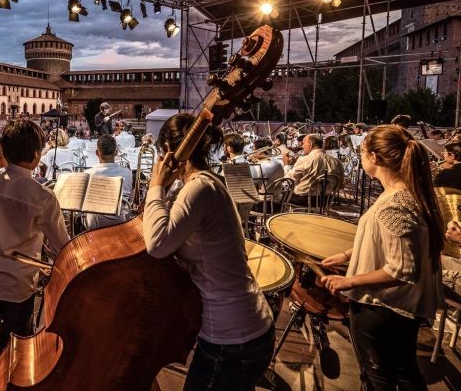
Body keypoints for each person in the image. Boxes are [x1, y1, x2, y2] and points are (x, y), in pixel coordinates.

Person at [143, 113, 274, 390]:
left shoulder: (199, 188)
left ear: (167, 152)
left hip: (232, 340)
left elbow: (156, 244)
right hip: (244, 329)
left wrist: (156, 186)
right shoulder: (208, 183)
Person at [320, 124, 443, 391]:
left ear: (374, 157)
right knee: (403, 371)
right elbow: (391, 244)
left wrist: (348, 282)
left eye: (362, 153)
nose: (362, 158)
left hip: (382, 307)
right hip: (395, 308)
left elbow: (402, 270)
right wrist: (346, 255)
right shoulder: (403, 194)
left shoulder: (395, 203)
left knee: (381, 378)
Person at [0, 119, 70, 391]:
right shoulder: (43, 197)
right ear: (36, 155)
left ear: (4, 153)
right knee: (14, 356)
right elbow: (62, 247)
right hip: (18, 288)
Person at [83, 135, 133, 231]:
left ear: (97, 153)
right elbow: (129, 197)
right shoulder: (127, 173)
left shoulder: (88, 173)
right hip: (120, 222)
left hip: (94, 224)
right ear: (116, 152)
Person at [284, 134, 344, 206]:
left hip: (304, 200)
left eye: (303, 143)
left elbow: (288, 180)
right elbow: (340, 185)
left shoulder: (304, 160)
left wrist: (286, 165)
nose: (302, 146)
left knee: (276, 196)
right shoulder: (336, 162)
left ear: (310, 145)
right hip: (326, 200)